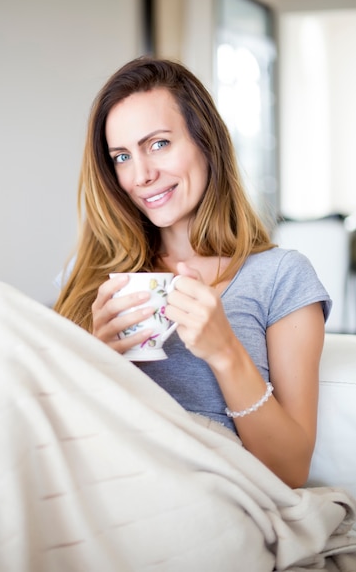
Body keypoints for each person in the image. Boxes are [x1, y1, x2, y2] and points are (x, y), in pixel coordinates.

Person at [53, 56, 332, 489]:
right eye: (122, 156)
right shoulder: (89, 277)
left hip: (209, 490)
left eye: (159, 144)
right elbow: (55, 437)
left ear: (206, 142)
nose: (141, 175)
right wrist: (95, 360)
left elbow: (290, 471)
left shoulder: (280, 276)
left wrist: (225, 351)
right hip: (103, 485)